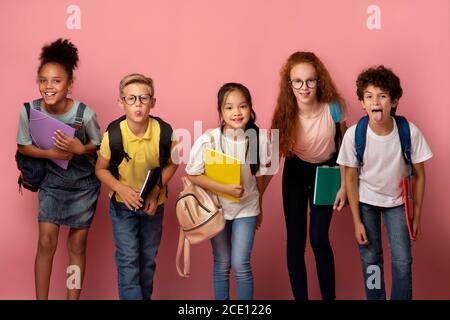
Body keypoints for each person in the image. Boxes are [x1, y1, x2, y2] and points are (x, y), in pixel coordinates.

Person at [337, 65, 433, 300]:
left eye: (382, 96)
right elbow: (350, 175)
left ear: (394, 100)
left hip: (398, 204)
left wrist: (417, 214)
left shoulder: (408, 132)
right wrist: (357, 221)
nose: (375, 102)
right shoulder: (354, 134)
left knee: (402, 260)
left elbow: (420, 174)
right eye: (369, 97)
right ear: (362, 102)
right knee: (371, 259)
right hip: (366, 202)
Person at [16, 38, 101, 299]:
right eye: (43, 80)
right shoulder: (29, 110)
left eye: (56, 80)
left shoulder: (85, 114)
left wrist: (80, 148)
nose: (48, 87)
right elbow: (23, 146)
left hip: (84, 185)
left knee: (77, 245)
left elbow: (98, 145)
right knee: (45, 242)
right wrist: (49, 153)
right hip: (52, 181)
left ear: (69, 84)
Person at [271, 51, 347, 300]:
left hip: (326, 173)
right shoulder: (285, 113)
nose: (304, 87)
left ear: (319, 81)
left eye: (310, 80)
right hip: (295, 172)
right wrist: (257, 198)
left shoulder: (333, 108)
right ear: (289, 84)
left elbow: (346, 149)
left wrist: (345, 185)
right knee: (295, 243)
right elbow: (271, 161)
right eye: (298, 81)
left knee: (318, 238)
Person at [95, 73, 178, 300]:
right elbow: (100, 169)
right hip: (123, 207)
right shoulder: (113, 135)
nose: (138, 104)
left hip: (154, 205)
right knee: (128, 260)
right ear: (121, 102)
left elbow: (174, 163)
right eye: (130, 99)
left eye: (143, 98)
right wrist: (120, 189)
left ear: (153, 102)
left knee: (147, 260)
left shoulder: (164, 132)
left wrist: (156, 191)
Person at [186, 82, 270, 300]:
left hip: (247, 209)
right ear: (221, 112)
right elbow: (193, 174)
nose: (236, 112)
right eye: (229, 107)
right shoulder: (210, 140)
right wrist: (223, 188)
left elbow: (261, 176)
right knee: (222, 263)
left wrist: (258, 205)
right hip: (217, 210)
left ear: (250, 108)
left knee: (241, 263)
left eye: (242, 106)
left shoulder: (259, 139)